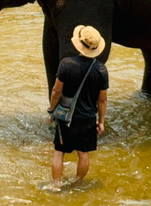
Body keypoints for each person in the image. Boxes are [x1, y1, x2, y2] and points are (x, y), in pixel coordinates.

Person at [47, 25, 108, 190]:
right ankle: (78, 184)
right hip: (88, 118)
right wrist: (101, 121)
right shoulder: (101, 69)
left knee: (59, 151)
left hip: (66, 117)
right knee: (83, 152)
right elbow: (102, 100)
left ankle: (56, 185)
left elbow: (56, 91)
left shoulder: (66, 64)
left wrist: (52, 110)